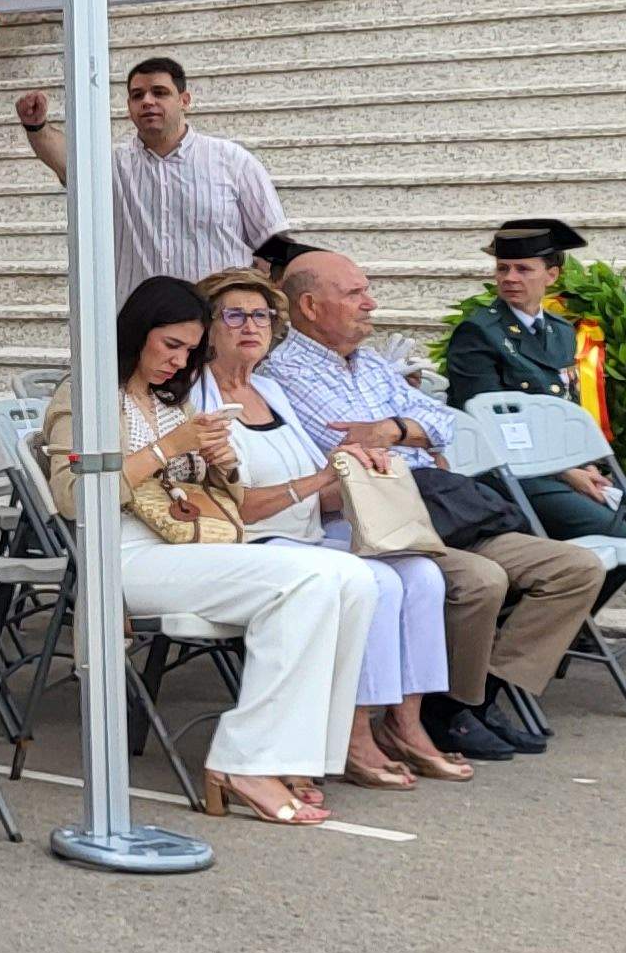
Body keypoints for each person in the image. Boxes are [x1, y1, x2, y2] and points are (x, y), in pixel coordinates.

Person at [40, 278, 371, 824]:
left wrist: (221, 462)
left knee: (351, 576)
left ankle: (296, 755)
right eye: (170, 345)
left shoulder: (174, 400)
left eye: (191, 351)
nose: (179, 360)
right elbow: (75, 499)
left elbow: (226, 500)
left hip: (192, 544)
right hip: (122, 553)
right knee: (307, 579)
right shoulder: (89, 394)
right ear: (137, 333)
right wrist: (171, 447)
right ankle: (246, 761)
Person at [261, 246, 608, 760]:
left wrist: (398, 429)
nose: (371, 304)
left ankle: (469, 701)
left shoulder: (371, 367)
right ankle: (448, 712)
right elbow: (360, 454)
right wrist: (413, 439)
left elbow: (450, 424)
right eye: (355, 293)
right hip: (387, 520)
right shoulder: (287, 374)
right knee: (481, 581)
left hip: (445, 511)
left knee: (576, 566)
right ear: (310, 307)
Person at [195, 268, 467, 792]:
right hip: (253, 540)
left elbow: (321, 479)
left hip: (308, 529)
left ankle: (406, 723)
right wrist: (329, 474)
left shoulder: (270, 388)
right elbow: (241, 506)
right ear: (208, 327)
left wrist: (359, 467)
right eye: (234, 315)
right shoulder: (202, 401)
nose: (250, 326)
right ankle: (354, 731)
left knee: (422, 575)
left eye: (261, 316)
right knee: (381, 582)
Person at [442, 218, 626, 542]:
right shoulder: (479, 332)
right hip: (508, 469)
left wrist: (584, 465)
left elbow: (565, 405)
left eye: (523, 269)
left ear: (552, 274)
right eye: (502, 268)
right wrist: (566, 471)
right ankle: (558, 593)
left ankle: (573, 594)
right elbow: (489, 423)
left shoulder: (561, 331)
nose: (510, 278)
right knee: (610, 529)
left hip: (560, 466)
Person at [16, 58, 290, 288]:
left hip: (217, 326)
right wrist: (36, 126)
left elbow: (274, 245)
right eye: (138, 95)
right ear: (129, 107)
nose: (147, 101)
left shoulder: (233, 161)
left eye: (160, 92)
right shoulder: (111, 165)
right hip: (140, 333)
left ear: (184, 100)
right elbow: (66, 162)